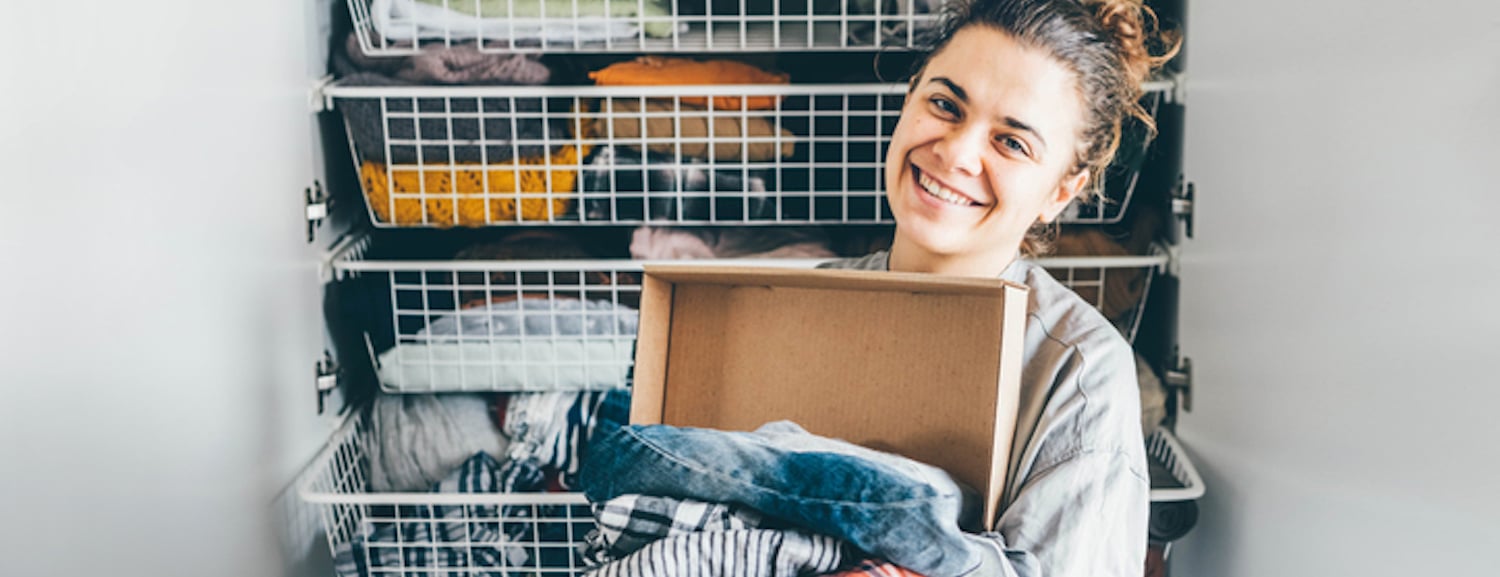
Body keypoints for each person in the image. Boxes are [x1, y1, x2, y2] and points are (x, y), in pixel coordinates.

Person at [820, 0, 1180, 575]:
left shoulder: (1079, 375)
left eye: (1012, 142)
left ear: (1062, 190)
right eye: (944, 104)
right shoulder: (801, 302)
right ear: (909, 96)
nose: (956, 154)